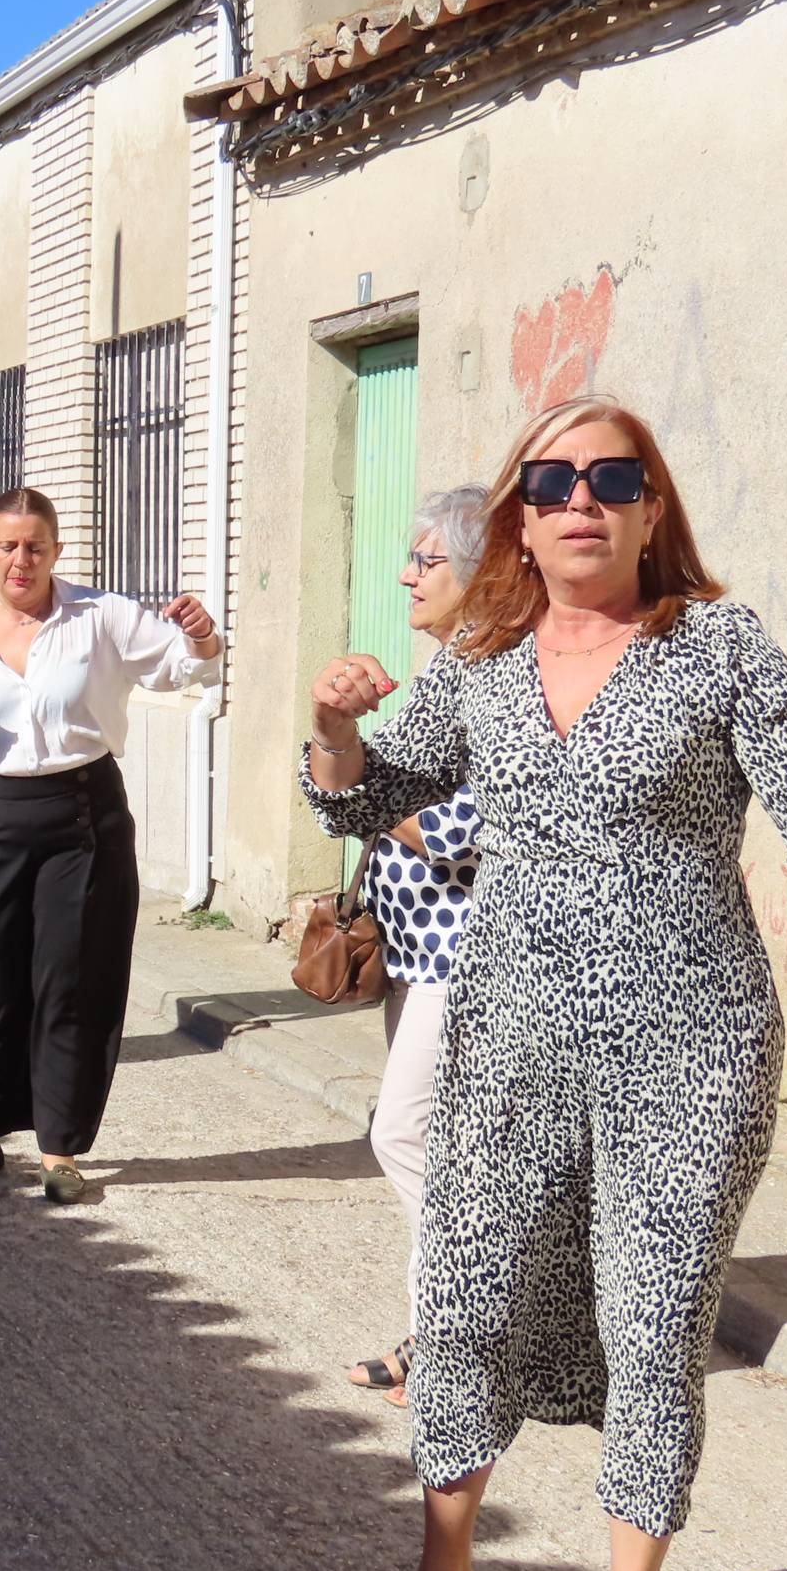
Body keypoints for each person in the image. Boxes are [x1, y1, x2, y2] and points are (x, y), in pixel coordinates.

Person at [302, 399, 787, 1571]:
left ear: (647, 509)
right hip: (507, 1043)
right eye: (551, 481)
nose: (579, 499)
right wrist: (330, 731)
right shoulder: (477, 668)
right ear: (517, 521)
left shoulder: (717, 649)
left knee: (653, 1327)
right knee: (464, 1303)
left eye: (610, 480)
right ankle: (443, 1566)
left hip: (689, 1049)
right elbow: (367, 800)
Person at [0, 488, 218, 1202]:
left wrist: (203, 635)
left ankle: (60, 1149)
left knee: (72, 979)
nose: (20, 560)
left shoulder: (100, 617)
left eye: (35, 546)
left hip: (82, 817)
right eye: (7, 546)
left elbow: (188, 666)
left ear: (56, 550)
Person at [341, 486, 485, 1408]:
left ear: (482, 572)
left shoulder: (499, 667)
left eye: (427, 560)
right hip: (416, 953)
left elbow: (469, 824)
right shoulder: (450, 666)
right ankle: (437, 1337)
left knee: (404, 1133)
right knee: (449, 1149)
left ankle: (462, 1335)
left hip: (460, 957)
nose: (406, 574)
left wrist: (373, 804)